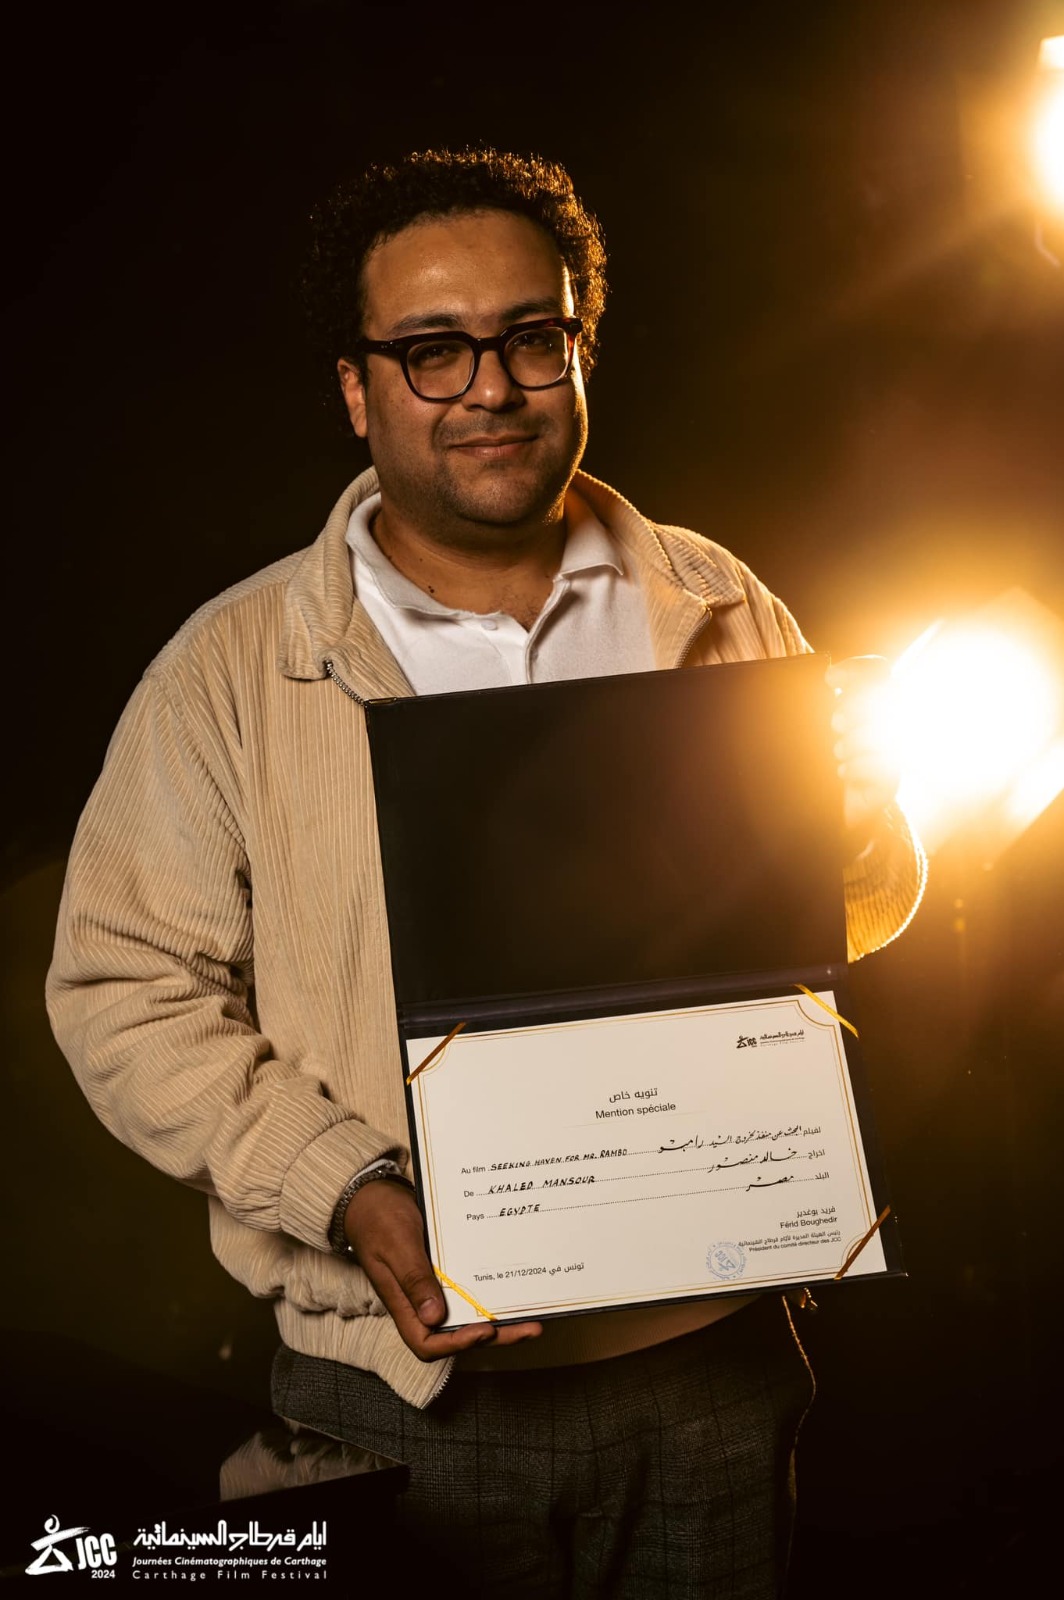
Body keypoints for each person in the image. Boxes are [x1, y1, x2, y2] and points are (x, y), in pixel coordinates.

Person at [47, 148, 925, 1597]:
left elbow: (856, 911)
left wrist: (860, 826)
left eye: (530, 338)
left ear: (578, 353)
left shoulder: (716, 601)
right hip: (397, 1398)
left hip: (709, 1368)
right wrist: (344, 1186)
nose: (492, 389)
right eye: (433, 352)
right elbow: (120, 989)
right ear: (358, 390)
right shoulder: (233, 670)